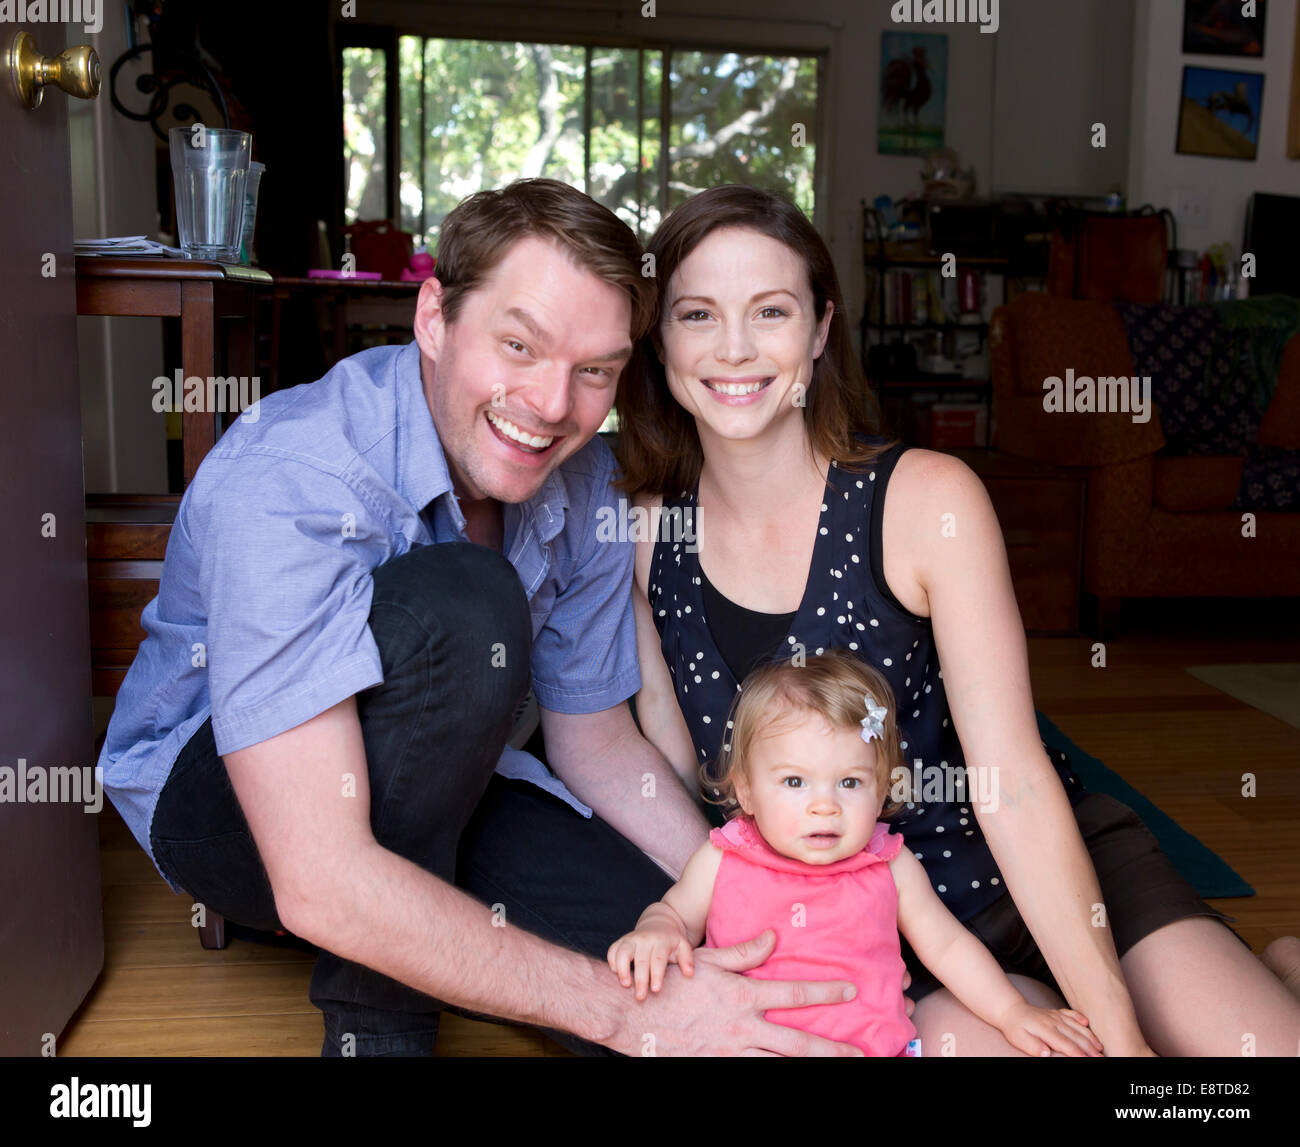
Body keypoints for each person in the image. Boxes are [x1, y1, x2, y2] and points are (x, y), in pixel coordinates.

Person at [95, 179, 870, 1057]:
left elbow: (595, 743)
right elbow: (317, 876)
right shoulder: (294, 479)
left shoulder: (584, 482)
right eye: (518, 344)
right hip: (235, 802)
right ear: (433, 319)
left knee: (687, 974)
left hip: (466, 783)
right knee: (467, 605)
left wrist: (745, 884)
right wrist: (615, 1010)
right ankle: (379, 1033)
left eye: (594, 372)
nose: (548, 404)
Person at [615, 183, 1300, 1056]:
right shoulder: (644, 533)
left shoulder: (927, 499)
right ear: (662, 339)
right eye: (699, 314)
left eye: (771, 311)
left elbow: (1010, 783)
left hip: (1054, 872)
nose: (736, 348)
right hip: (889, 934)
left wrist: (1128, 1047)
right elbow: (687, 783)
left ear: (821, 330)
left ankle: (1276, 974)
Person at [608, 651, 1104, 1058]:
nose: (824, 805)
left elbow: (948, 948)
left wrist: (1010, 1013)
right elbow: (675, 912)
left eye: (850, 782)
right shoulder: (724, 859)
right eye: (794, 782)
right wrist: (657, 931)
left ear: (883, 789)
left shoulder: (889, 864)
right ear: (747, 792)